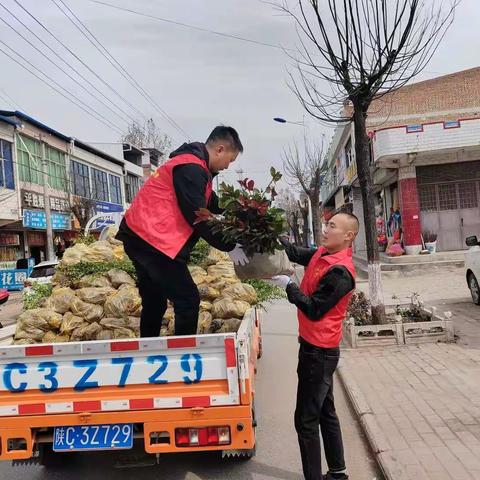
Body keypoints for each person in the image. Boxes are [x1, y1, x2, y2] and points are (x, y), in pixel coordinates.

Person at [116, 126, 248, 337]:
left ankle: (149, 348)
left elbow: (210, 201)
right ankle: (184, 355)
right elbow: (199, 216)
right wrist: (229, 245)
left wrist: (241, 208)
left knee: (155, 300)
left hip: (140, 237)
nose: (227, 166)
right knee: (187, 299)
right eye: (230, 161)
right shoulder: (191, 168)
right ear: (220, 149)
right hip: (152, 241)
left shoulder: (195, 167)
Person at [270, 211, 359, 480]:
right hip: (314, 349)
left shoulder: (340, 273)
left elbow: (314, 309)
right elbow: (294, 252)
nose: (325, 229)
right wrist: (264, 235)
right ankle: (338, 473)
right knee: (325, 412)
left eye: (332, 226)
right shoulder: (322, 254)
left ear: (348, 236)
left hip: (319, 354)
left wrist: (289, 285)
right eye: (326, 224)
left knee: (306, 421)